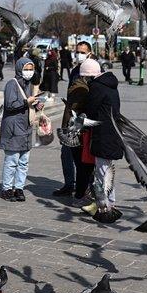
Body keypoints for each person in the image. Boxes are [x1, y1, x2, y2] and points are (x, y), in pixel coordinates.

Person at [81, 60, 123, 222]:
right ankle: (108, 203)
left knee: (102, 172)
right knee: (106, 170)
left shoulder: (97, 87)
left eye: (85, 77)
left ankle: (106, 207)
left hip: (103, 135)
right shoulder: (110, 85)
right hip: (112, 133)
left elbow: (91, 111)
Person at [54, 42, 95, 198]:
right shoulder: (75, 70)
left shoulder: (93, 70)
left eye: (83, 52)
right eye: (77, 51)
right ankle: (69, 184)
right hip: (70, 118)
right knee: (66, 152)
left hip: (83, 121)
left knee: (82, 158)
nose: (79, 54)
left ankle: (85, 188)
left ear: (90, 53)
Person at [0, 55, 41, 202]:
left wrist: (35, 104)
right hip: (14, 128)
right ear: (19, 69)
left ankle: (19, 188)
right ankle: (7, 188)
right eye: (26, 69)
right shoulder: (12, 83)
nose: (29, 71)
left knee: (24, 162)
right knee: (12, 161)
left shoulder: (28, 84)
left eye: (31, 69)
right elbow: (10, 105)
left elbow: (27, 103)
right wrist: (26, 101)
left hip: (26, 128)